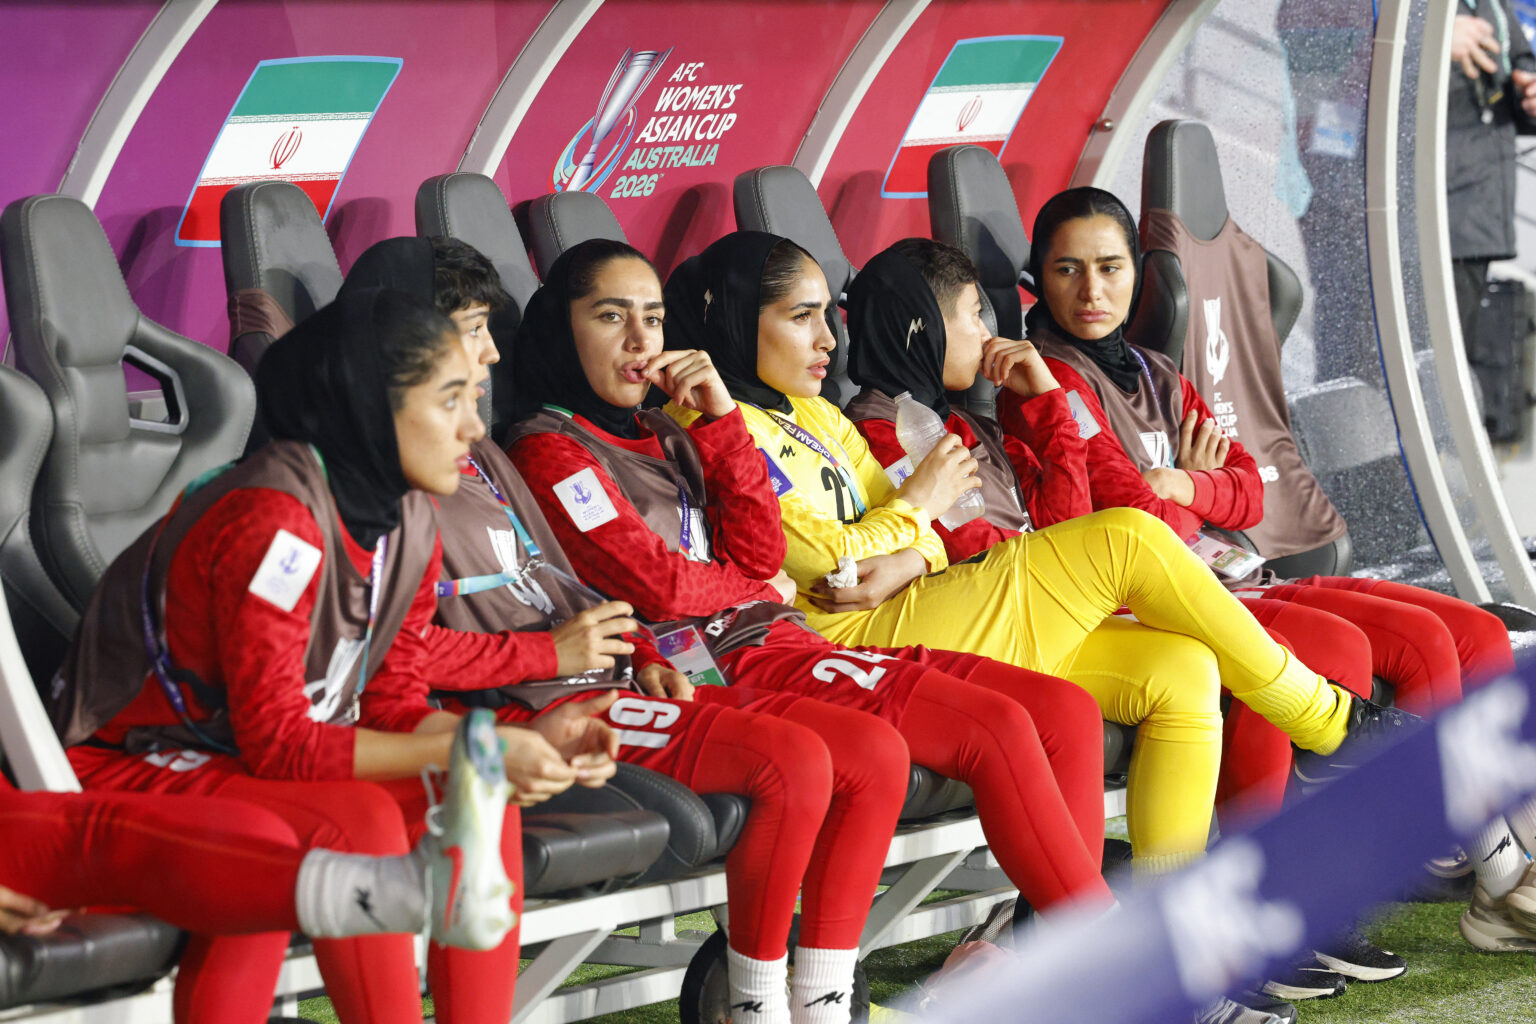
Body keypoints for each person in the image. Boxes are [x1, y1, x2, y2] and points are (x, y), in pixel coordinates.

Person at [341, 236, 918, 1024]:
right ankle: (763, 1007)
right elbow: (399, 660)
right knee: (795, 761)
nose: (489, 353)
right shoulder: (512, 452)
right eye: (470, 331)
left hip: (623, 671)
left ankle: (810, 999)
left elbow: (568, 587)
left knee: (864, 752)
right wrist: (556, 657)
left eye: (653, 317)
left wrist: (640, 648)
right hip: (534, 702)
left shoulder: (500, 453)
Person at [499, 240, 1123, 947]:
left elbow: (792, 550)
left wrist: (906, 547)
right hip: (743, 646)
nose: (642, 340)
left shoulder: (713, 424)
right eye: (613, 317)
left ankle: (1061, 952)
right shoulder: (568, 445)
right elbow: (679, 583)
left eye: (653, 318)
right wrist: (764, 565)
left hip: (782, 628)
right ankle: (1103, 958)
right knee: (1119, 549)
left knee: (1068, 707)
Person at [53, 288, 619, 1024]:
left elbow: (392, 706)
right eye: (450, 400)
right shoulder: (276, 519)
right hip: (123, 762)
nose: (476, 427)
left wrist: (511, 745)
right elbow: (280, 745)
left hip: (234, 762)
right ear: (369, 405)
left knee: (480, 799)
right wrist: (475, 744)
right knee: (360, 824)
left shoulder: (407, 515)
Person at [841, 236, 1378, 831]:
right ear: (921, 329)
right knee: (1128, 533)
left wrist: (1049, 402)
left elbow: (1069, 525)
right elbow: (974, 551)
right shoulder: (879, 431)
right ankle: (1328, 721)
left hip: (1030, 613)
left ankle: (1173, 889)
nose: (988, 333)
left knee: (1186, 668)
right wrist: (1095, 543)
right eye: (972, 316)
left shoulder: (966, 422)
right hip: (962, 628)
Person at [1016, 186, 1513, 721]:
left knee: (1478, 634)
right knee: (1400, 645)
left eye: (1110, 267)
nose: (1092, 290)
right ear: (1040, 278)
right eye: (1068, 269)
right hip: (1176, 607)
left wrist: (1181, 484)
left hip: (1240, 576)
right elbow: (1139, 522)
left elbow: (1251, 494)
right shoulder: (1047, 381)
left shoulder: (1155, 370)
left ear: (1137, 273)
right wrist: (1201, 496)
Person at [1, 711, 512, 1020]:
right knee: (315, 829)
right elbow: (279, 729)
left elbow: (391, 683)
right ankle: (404, 893)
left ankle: (407, 892)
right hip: (128, 757)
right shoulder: (264, 558)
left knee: (253, 838)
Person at [1447, 1, 1536, 363]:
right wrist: (1428, 44)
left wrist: (1528, 97)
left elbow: (1519, 67)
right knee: (1373, 361)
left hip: (1475, 215)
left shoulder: (1493, 6)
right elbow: (1324, 43)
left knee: (1448, 362)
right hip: (1401, 214)